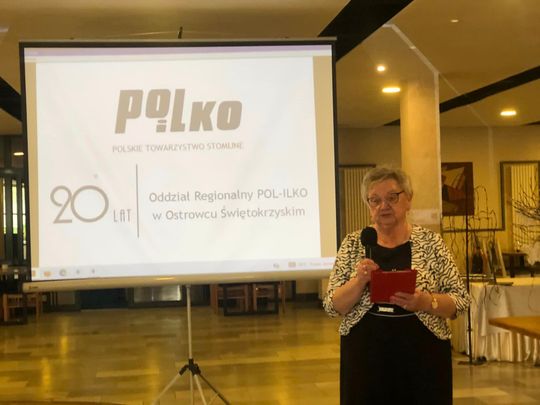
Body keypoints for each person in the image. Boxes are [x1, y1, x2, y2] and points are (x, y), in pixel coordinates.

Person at [323, 166, 470, 405]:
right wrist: (359, 281)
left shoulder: (431, 243)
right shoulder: (353, 244)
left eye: (392, 197)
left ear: (408, 199)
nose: (383, 206)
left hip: (422, 356)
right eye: (375, 200)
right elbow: (332, 306)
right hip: (365, 358)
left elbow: (460, 301)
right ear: (368, 205)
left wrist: (426, 301)